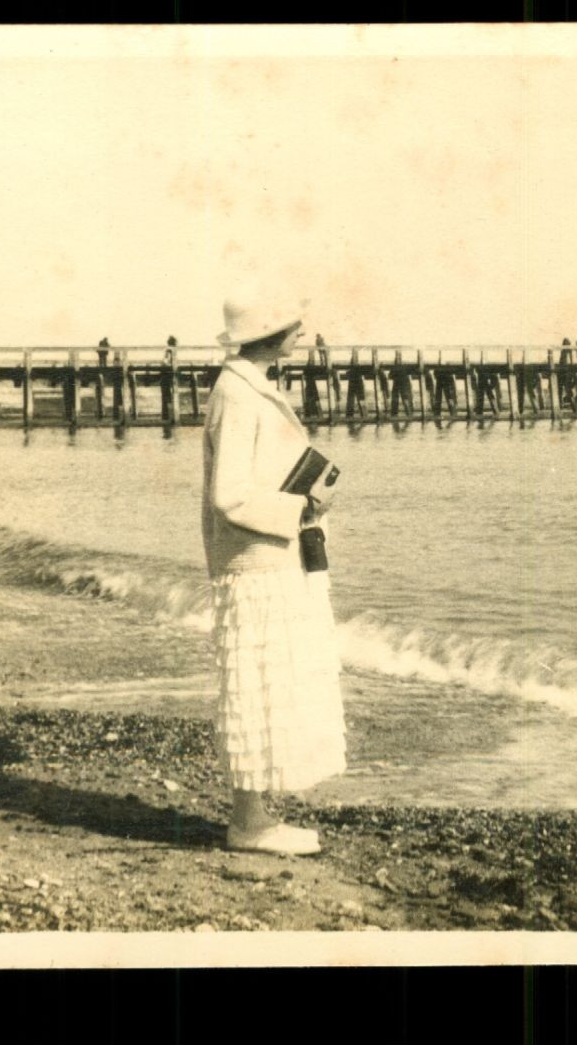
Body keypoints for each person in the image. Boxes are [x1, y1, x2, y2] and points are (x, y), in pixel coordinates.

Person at [202, 289, 346, 855]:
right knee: (258, 684)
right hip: (260, 561)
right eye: (293, 323)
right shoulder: (239, 395)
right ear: (269, 333)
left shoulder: (244, 387)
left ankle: (255, 816)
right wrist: (299, 509)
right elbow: (229, 496)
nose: (303, 329)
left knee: (263, 685)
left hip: (268, 558)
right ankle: (250, 824)